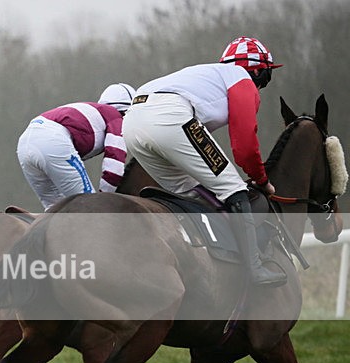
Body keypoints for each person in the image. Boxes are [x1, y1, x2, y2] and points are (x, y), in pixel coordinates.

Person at [122, 36, 286, 286]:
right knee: (233, 187)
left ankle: (197, 256)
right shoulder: (241, 79)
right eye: (266, 77)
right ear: (260, 72)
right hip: (170, 115)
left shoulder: (207, 76)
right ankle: (254, 269)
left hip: (132, 122)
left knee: (191, 190)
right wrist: (262, 180)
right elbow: (245, 146)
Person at [17, 83, 136, 211]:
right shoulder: (115, 117)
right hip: (53, 141)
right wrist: (105, 199)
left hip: (25, 143)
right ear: (127, 111)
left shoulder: (95, 110)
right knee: (89, 208)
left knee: (55, 211)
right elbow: (114, 169)